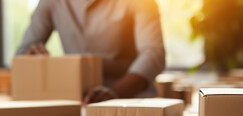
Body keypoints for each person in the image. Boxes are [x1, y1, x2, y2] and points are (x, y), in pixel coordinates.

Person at [16, 0, 165, 104]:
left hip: (130, 100)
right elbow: (22, 53)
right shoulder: (51, 2)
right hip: (78, 102)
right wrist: (30, 57)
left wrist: (115, 93)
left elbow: (154, 53)